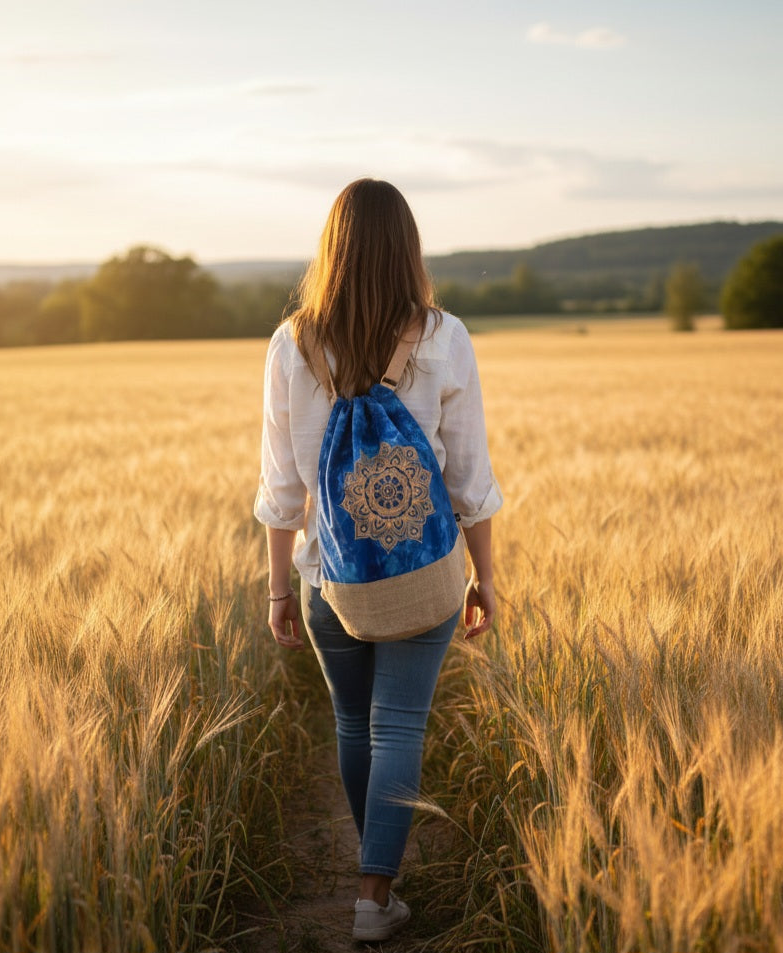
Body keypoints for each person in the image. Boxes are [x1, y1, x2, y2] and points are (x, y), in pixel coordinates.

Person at [253, 178, 502, 942]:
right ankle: (374, 894)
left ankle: (371, 875)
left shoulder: (292, 342)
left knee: (352, 723)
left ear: (331, 249)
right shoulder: (441, 336)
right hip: (423, 571)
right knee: (399, 727)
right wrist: (485, 578)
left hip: (331, 576)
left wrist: (277, 589)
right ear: (407, 249)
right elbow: (469, 476)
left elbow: (280, 486)